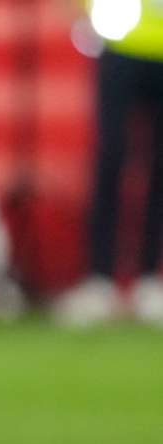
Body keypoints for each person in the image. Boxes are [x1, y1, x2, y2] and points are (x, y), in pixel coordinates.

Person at [54, 0, 163, 327]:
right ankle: (100, 280)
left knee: (159, 170)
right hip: (118, 47)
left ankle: (149, 281)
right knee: (109, 162)